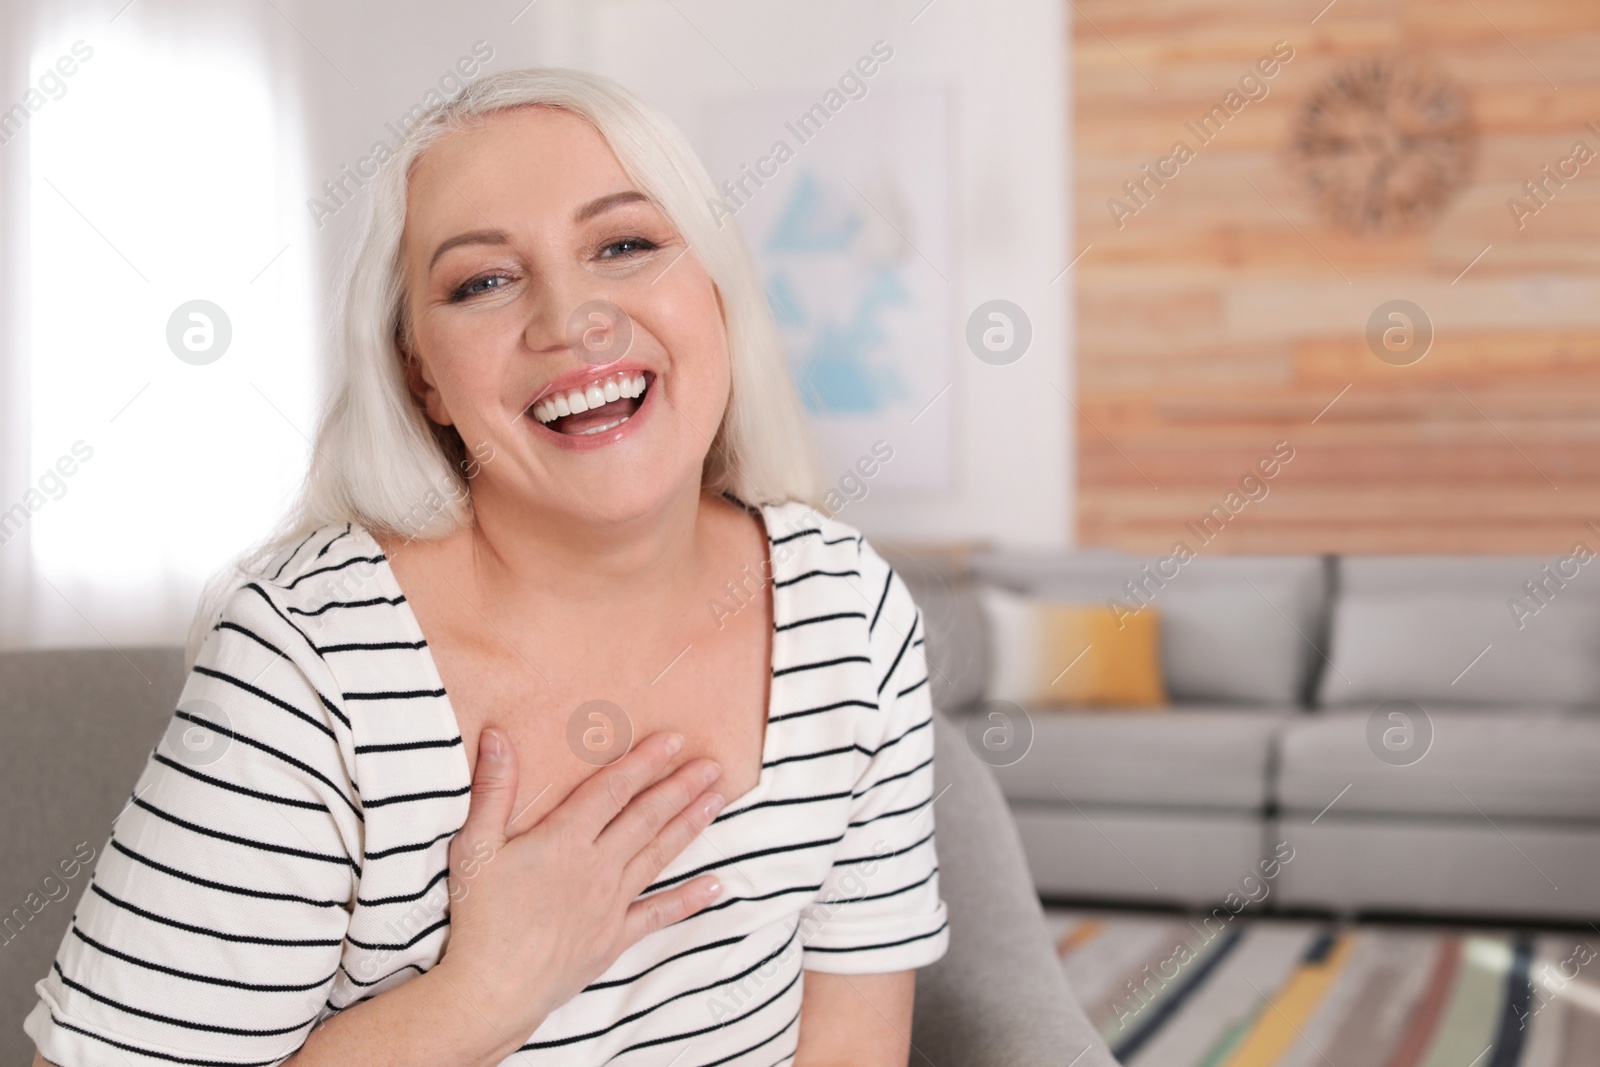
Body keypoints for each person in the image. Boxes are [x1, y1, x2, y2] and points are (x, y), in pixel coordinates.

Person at [25, 67, 947, 1067]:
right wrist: (486, 991)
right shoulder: (309, 663)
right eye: (483, 282)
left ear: (716, 291)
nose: (572, 318)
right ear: (420, 373)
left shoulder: (847, 611)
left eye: (625, 244)